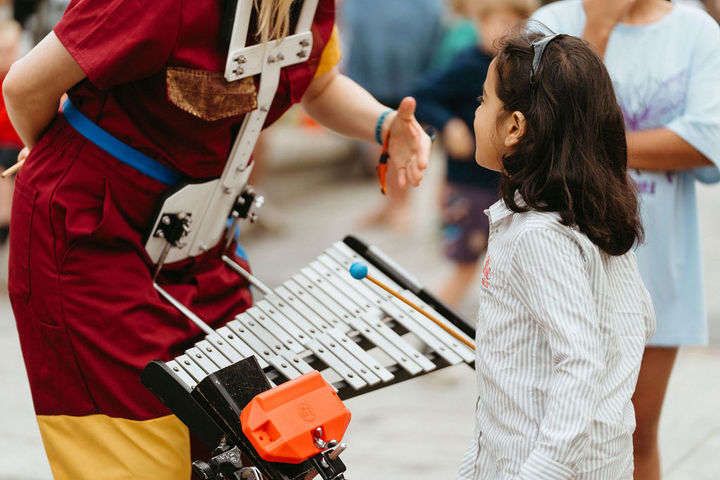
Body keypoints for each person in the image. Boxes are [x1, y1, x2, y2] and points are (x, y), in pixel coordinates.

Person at [2, 0, 432, 478]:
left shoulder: (310, 6)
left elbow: (320, 83)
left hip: (205, 243)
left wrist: (383, 124)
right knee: (143, 456)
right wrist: (63, 171)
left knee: (259, 444)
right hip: (94, 244)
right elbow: (24, 87)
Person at [532, 2, 720, 478]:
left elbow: (706, 142)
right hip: (558, 269)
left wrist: (585, 144)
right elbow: (530, 132)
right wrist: (597, 28)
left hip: (658, 271)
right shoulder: (553, 22)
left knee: (636, 435)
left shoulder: (694, 30)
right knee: (545, 437)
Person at [456, 31, 655, 479]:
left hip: (542, 466)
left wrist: (544, 468)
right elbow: (639, 319)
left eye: (483, 100)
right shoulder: (595, 215)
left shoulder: (537, 237)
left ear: (515, 127)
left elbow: (580, 361)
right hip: (587, 462)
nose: (476, 111)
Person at [412, 0, 539, 308]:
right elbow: (421, 94)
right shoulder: (466, 65)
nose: (505, 33)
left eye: (515, 25)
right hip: (469, 186)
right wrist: (450, 124)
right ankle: (430, 326)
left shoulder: (524, 69)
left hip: (507, 187)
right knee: (464, 266)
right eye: (498, 22)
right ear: (479, 24)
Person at [340, 0, 442, 230]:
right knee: (374, 136)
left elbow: (435, 29)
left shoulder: (426, 6)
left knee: (406, 134)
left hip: (413, 74)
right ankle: (389, 200)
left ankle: (402, 204)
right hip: (371, 73)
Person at [0, 19, 23, 246]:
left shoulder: (19, 77)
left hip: (17, 147)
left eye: (12, 50)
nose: (8, 56)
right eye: (3, 51)